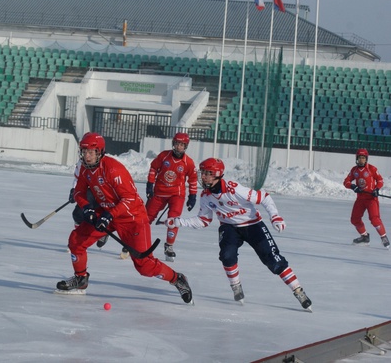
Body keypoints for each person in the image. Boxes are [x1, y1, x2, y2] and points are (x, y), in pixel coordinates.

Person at [57, 132, 193, 304]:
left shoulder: (114, 169)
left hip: (132, 218)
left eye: (91, 151)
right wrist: (86, 208)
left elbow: (129, 199)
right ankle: (80, 279)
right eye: (84, 151)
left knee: (144, 266)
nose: (87, 155)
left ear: (100, 152)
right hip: (109, 213)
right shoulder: (85, 169)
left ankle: (177, 278)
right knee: (76, 241)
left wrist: (108, 215)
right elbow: (78, 191)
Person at [170, 158, 312, 310]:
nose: (202, 177)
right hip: (229, 227)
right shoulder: (206, 196)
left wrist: (275, 216)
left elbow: (264, 197)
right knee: (227, 255)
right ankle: (236, 286)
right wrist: (179, 222)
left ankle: (298, 290)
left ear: (217, 174)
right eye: (202, 173)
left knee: (273, 260)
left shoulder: (234, 189)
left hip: (252, 225)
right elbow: (204, 220)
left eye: (207, 173)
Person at [145, 132, 198, 261]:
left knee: (173, 219)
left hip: (177, 194)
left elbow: (193, 180)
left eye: (182, 145)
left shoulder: (188, 162)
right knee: (146, 218)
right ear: (173, 144)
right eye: (177, 144)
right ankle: (136, 241)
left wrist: (192, 197)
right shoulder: (164, 156)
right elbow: (153, 168)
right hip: (159, 193)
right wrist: (149, 185)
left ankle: (169, 246)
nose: (179, 147)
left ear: (185, 146)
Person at [343, 148, 389, 249]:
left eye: (363, 158)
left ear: (366, 159)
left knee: (374, 219)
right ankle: (364, 236)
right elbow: (346, 182)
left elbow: (380, 180)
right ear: (357, 158)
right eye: (360, 158)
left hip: (371, 199)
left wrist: (376, 189)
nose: (361, 160)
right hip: (360, 199)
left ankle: (384, 237)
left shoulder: (372, 169)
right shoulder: (354, 170)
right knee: (354, 219)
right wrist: (353, 186)